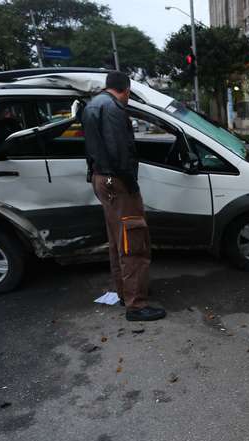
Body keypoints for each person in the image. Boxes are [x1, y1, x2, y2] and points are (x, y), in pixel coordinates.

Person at [81, 71, 166, 322]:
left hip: (101, 179)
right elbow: (120, 152)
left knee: (118, 240)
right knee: (134, 241)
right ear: (126, 90)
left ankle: (124, 292)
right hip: (116, 181)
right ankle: (137, 305)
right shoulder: (114, 109)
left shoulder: (92, 105)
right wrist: (131, 185)